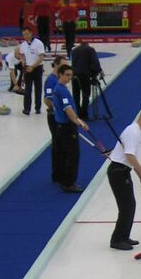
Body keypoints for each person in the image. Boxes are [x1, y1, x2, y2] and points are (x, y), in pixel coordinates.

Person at [106, 109, 141, 250]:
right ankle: (116, 239)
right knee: (126, 206)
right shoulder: (132, 131)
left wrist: (140, 175)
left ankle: (124, 236)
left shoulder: (135, 131)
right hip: (118, 171)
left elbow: (130, 157)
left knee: (130, 205)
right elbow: (129, 155)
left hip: (123, 170)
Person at [52, 64, 88, 193]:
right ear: (60, 74)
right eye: (67, 75)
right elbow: (68, 109)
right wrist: (79, 122)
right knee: (73, 155)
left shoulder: (58, 88)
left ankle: (62, 178)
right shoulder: (62, 90)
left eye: (71, 76)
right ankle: (68, 183)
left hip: (61, 126)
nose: (69, 78)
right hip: (67, 127)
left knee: (63, 153)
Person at [44, 55, 68, 183]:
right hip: (54, 117)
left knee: (62, 145)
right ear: (57, 65)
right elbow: (47, 99)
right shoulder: (51, 81)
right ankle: (57, 173)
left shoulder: (59, 80)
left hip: (60, 117)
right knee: (57, 145)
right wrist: (58, 110)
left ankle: (61, 171)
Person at [70, 41, 102, 120]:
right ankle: (84, 114)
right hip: (84, 75)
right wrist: (97, 72)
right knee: (86, 95)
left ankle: (77, 113)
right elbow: (95, 63)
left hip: (74, 75)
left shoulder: (74, 50)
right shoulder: (90, 50)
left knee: (76, 95)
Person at [18, 26, 44, 115]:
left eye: (27, 34)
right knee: (27, 89)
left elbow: (41, 57)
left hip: (37, 68)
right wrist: (22, 61)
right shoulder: (23, 44)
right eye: (24, 35)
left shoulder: (38, 43)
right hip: (27, 68)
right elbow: (21, 55)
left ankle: (38, 108)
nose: (25, 36)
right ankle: (26, 109)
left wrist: (33, 67)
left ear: (31, 33)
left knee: (38, 89)